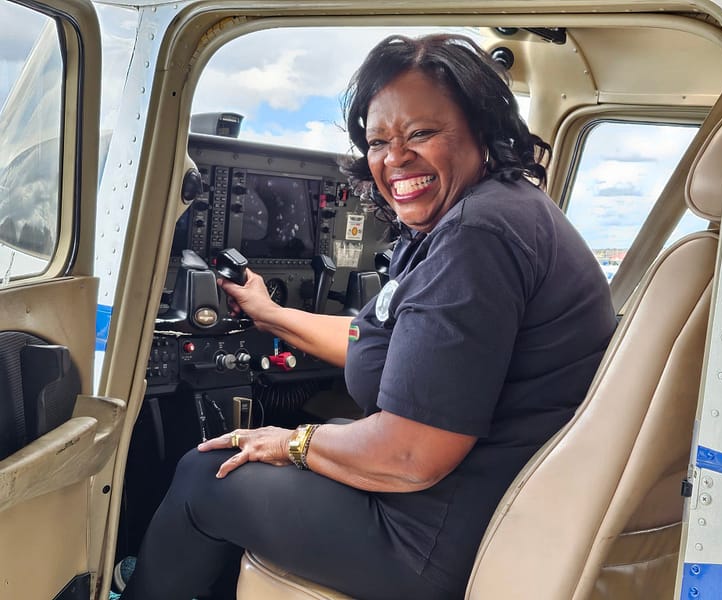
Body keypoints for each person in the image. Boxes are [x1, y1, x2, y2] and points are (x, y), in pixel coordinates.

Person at [118, 33, 617, 600]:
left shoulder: (477, 236)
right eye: (379, 141)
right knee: (307, 434)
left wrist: (293, 442)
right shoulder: (483, 215)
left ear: (480, 129)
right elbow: (385, 343)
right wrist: (271, 314)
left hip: (438, 537)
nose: (395, 158)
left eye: (421, 133)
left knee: (204, 476)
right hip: (486, 506)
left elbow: (410, 456)